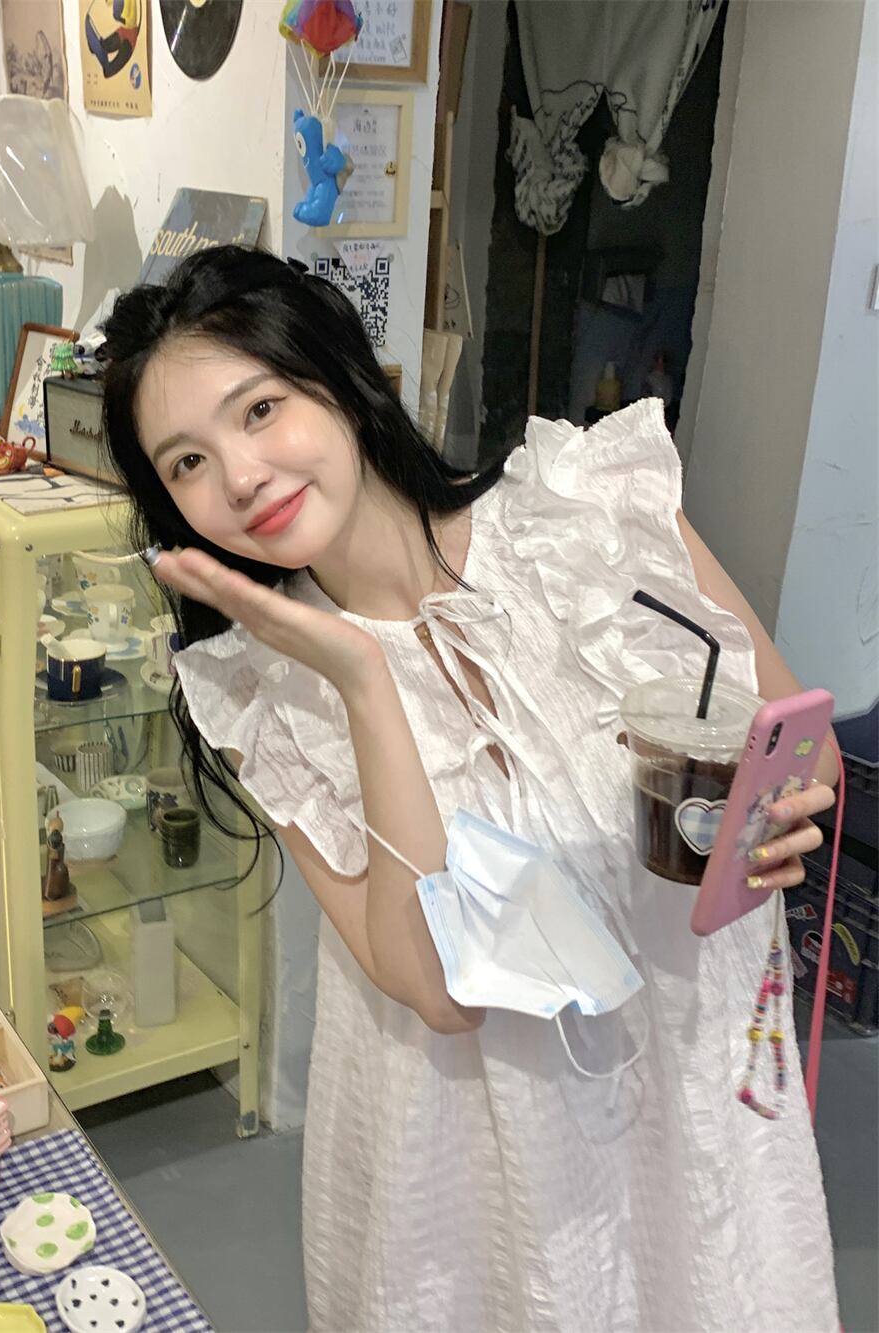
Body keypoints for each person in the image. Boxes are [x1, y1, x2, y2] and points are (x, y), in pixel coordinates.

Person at [101, 246, 840, 1332]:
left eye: (259, 409)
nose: (241, 475)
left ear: (337, 376)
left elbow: (800, 746)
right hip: (484, 1164)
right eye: (187, 462)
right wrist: (361, 677)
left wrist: (784, 816)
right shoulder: (264, 689)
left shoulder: (591, 506)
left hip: (692, 1099)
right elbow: (437, 992)